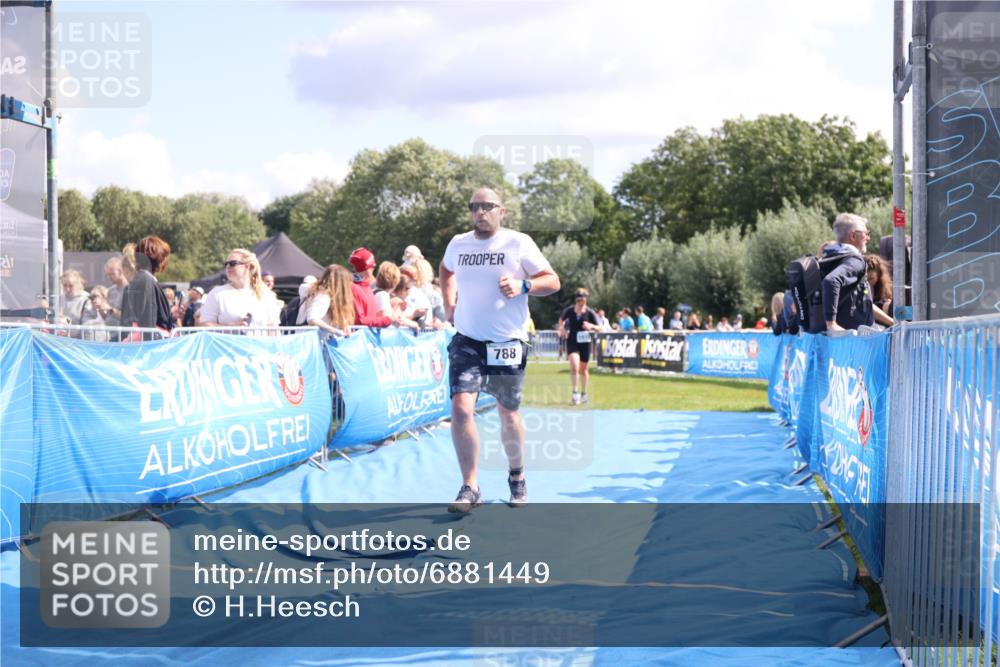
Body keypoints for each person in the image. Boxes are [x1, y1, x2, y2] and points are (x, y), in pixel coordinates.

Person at [439, 187, 560, 512]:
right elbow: (445, 270)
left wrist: (525, 285)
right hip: (467, 341)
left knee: (507, 412)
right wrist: (449, 305)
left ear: (501, 211)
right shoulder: (458, 244)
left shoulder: (518, 242)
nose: (480, 212)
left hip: (507, 342)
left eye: (487, 206)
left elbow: (553, 280)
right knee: (461, 409)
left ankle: (517, 476)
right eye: (475, 207)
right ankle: (470, 486)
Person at [198, 248, 279, 328]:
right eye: (226, 264)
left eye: (233, 263)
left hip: (259, 341)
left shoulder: (265, 294)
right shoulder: (217, 293)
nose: (228, 267)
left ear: (247, 266)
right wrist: (232, 327)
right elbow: (204, 325)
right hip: (227, 341)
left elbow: (273, 329)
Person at [823, 214, 874, 332]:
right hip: (851, 340)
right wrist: (831, 323)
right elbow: (831, 280)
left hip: (830, 338)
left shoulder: (830, 257)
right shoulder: (854, 260)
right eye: (866, 233)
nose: (868, 238)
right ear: (853, 235)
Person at [120, 237, 174, 332]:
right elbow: (147, 320)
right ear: (159, 258)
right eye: (164, 256)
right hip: (150, 344)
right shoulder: (145, 280)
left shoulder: (143, 279)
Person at [559, 288, 600, 405]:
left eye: (583, 300)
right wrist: (562, 330)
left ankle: (584, 393)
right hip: (572, 341)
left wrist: (591, 326)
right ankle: (575, 392)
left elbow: (600, 327)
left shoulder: (590, 313)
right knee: (574, 366)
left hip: (585, 343)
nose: (581, 302)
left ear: (586, 300)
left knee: (583, 369)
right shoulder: (569, 311)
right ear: (576, 300)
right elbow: (561, 320)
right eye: (579, 300)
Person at [348, 248, 405, 328]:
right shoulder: (354, 287)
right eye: (373, 266)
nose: (373, 270)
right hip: (361, 338)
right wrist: (388, 320)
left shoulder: (366, 286)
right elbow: (361, 321)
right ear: (367, 268)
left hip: (368, 337)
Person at [302, 264, 356, 336]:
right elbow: (312, 319)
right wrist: (335, 331)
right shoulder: (323, 296)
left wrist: (344, 325)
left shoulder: (325, 295)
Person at [866, 254, 894, 327]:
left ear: (879, 276)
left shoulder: (888, 289)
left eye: (871, 279)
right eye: (866, 279)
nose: (868, 282)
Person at [103, 256, 128, 327]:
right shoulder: (110, 291)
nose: (109, 277)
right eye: (108, 275)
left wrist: (111, 309)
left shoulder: (130, 290)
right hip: (107, 330)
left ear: (121, 271)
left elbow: (127, 318)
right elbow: (106, 316)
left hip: (122, 333)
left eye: (112, 274)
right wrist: (101, 308)